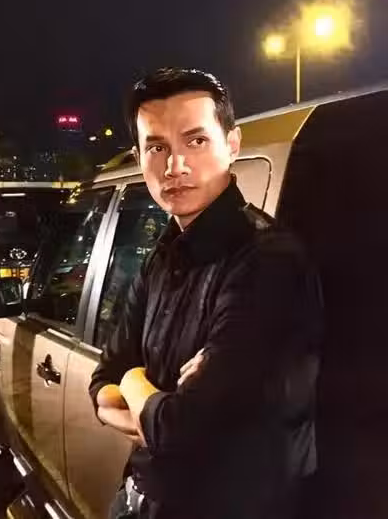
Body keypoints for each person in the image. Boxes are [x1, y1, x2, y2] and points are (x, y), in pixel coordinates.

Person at [89, 68, 323, 519]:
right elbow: (102, 383)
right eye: (157, 147)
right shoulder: (162, 257)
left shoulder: (268, 261)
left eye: (195, 140)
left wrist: (134, 382)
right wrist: (151, 404)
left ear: (231, 145)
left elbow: (182, 429)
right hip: (139, 499)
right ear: (139, 157)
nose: (175, 166)